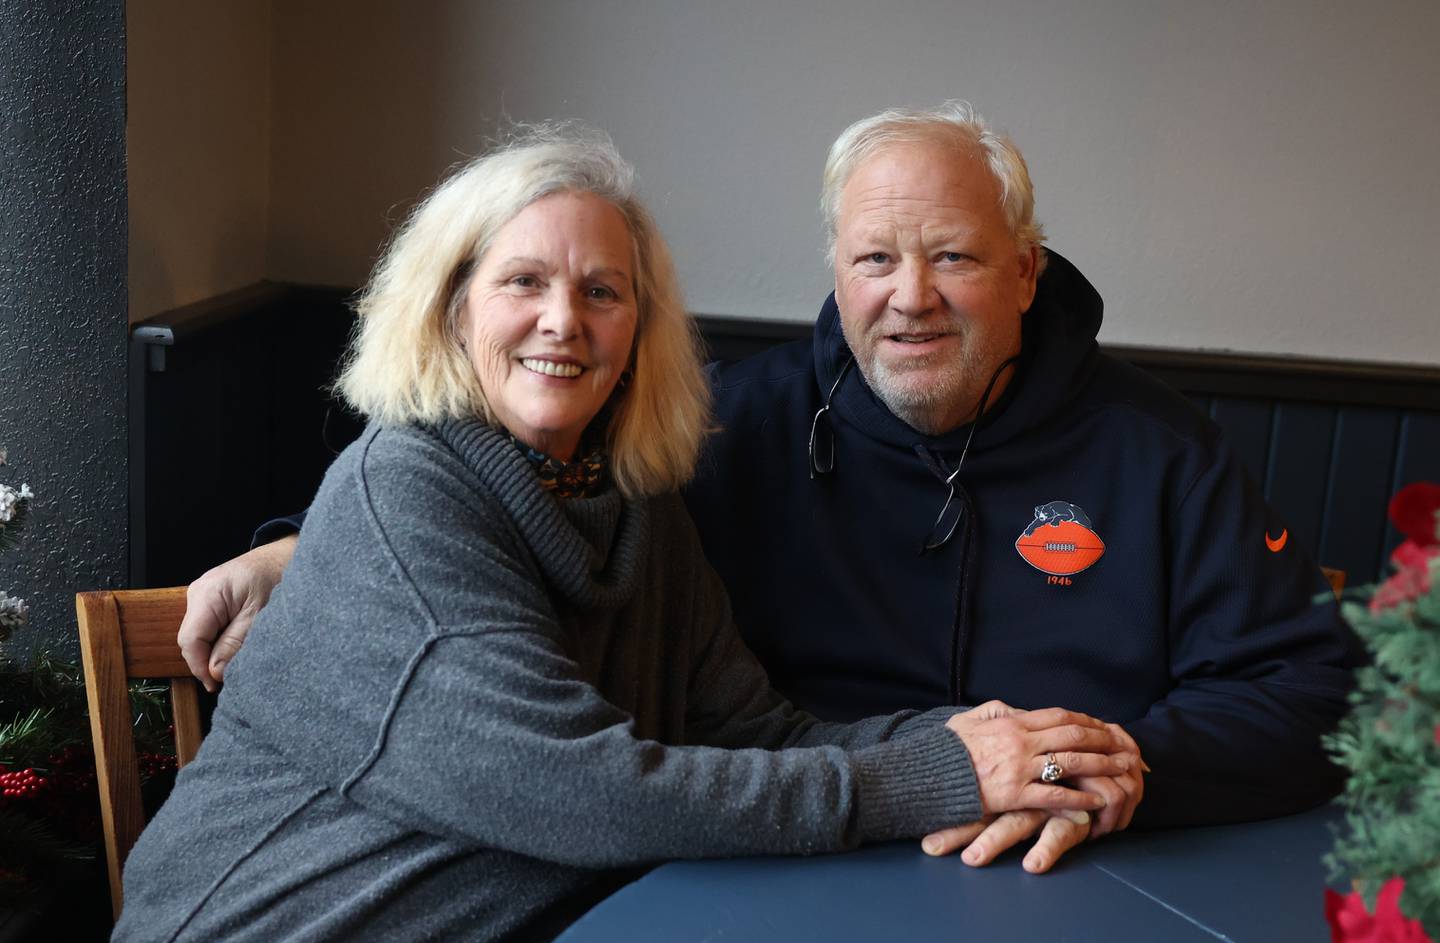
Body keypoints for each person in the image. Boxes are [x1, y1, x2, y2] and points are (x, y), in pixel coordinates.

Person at [177, 102, 1363, 870]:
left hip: (1075, 864)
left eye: (951, 255)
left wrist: (1114, 767)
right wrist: (304, 545)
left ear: (1024, 272)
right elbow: (467, 510)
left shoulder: (1162, 450)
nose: (910, 295)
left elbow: (1315, 691)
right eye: (874, 259)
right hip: (786, 862)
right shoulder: (728, 427)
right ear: (836, 275)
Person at [112, 127, 1131, 943]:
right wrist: (935, 778)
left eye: (603, 291)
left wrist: (1024, 753)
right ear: (452, 305)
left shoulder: (632, 500)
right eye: (524, 283)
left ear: (640, 328)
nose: (565, 321)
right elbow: (584, 794)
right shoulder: (405, 492)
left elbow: (758, 735)